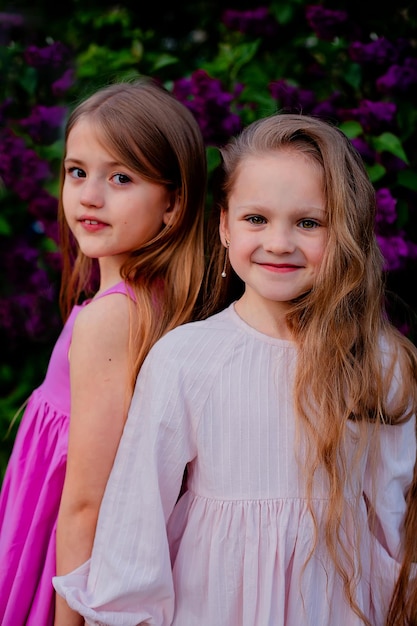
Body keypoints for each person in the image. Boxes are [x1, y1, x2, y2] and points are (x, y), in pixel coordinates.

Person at [53, 113, 417, 626]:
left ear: (344, 232)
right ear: (224, 225)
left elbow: (391, 521)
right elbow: (138, 516)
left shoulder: (380, 362)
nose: (279, 242)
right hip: (212, 604)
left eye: (309, 222)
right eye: (256, 219)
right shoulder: (186, 357)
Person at [0, 77, 207, 626]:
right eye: (77, 172)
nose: (90, 195)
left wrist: (70, 619)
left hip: (61, 559)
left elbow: (89, 500)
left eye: (121, 177)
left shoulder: (111, 318)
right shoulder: (157, 299)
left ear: (173, 203)